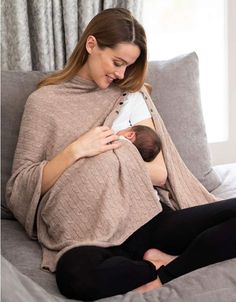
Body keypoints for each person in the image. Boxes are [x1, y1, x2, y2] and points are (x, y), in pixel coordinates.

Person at [6, 8, 236, 301]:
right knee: (77, 279)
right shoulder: (43, 103)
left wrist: (115, 151)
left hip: (146, 218)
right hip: (88, 230)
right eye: (117, 62)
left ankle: (166, 272)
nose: (121, 74)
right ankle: (150, 265)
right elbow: (19, 188)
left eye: (128, 66)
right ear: (91, 45)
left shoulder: (129, 97)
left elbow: (160, 173)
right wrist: (78, 150)